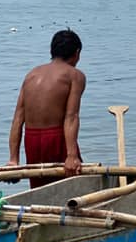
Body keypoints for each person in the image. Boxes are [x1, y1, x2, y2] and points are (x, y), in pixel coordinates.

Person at [7, 29, 86, 188]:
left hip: (32, 140)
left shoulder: (31, 75)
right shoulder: (75, 75)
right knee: (74, 185)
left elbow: (17, 119)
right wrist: (71, 156)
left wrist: (13, 160)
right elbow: (71, 117)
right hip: (56, 138)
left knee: (41, 188)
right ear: (76, 53)